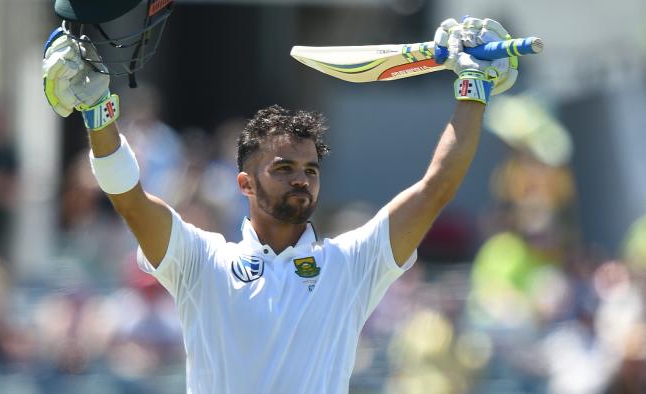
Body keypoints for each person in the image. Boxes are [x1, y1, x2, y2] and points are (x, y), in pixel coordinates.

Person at [42, 4, 520, 392]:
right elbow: (129, 198)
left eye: (310, 170)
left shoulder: (351, 265)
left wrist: (472, 88)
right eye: (284, 168)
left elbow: (437, 187)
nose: (301, 180)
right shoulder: (201, 262)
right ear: (244, 184)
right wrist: (98, 114)